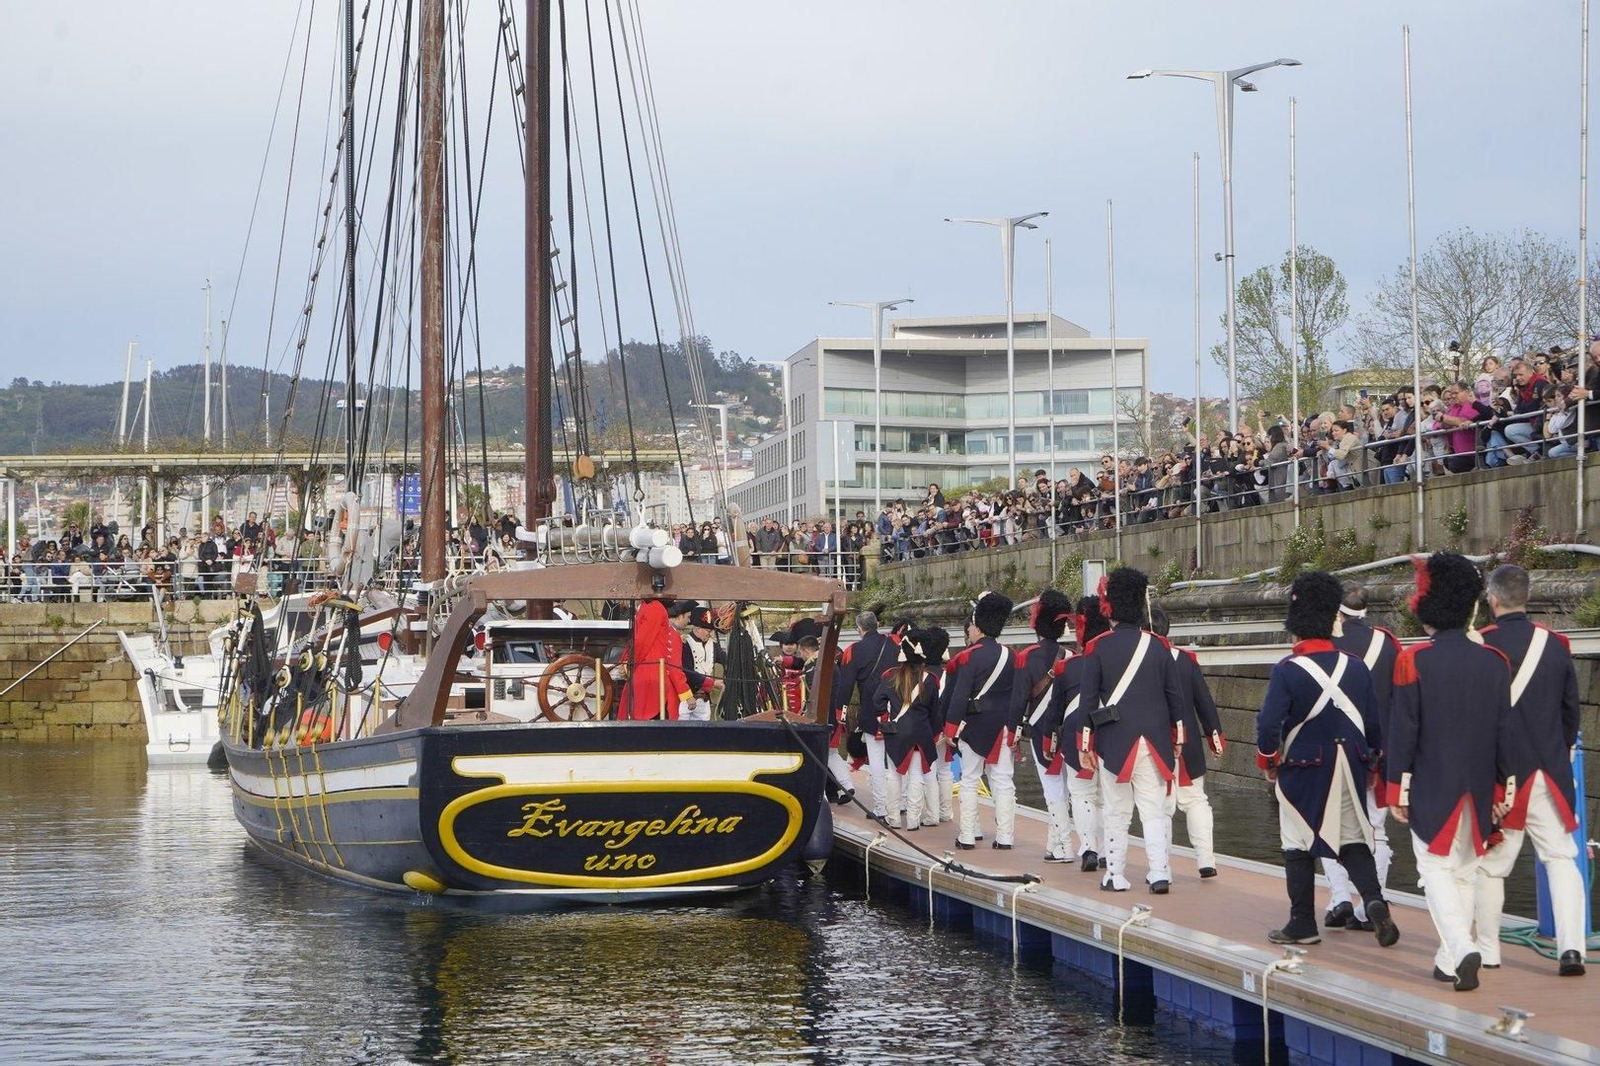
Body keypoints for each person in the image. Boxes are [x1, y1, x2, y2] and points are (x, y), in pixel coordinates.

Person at [1386, 552, 1517, 992]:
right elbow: (1505, 735)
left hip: (1431, 783)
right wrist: (1503, 790)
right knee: (1462, 869)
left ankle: (1462, 948)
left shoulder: (1414, 660)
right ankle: (1447, 959)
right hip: (1479, 783)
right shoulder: (1495, 661)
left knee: (1435, 869)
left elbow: (1403, 734)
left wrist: (1396, 790)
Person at [1255, 570, 1399, 948]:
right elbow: (1373, 724)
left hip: (1302, 766)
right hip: (1349, 763)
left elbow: (1269, 725)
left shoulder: (1288, 669)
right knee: (1352, 839)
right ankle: (1374, 902)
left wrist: (1268, 760)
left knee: (1298, 845)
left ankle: (1302, 923)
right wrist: (1371, 763)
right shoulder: (1355, 666)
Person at [1474, 565, 1586, 977]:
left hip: (1502, 775)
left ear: (1493, 598)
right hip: (1549, 768)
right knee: (1561, 859)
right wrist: (1555, 749)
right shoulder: (1556, 645)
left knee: (1492, 865)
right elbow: (1570, 712)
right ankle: (1570, 950)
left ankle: (1488, 951)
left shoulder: (1482, 645)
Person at [1076, 568, 1186, 893]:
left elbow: (1087, 702)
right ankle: (1160, 872)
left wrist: (1084, 744)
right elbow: (1174, 697)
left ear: (1109, 606)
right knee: (1152, 811)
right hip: (1154, 739)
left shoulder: (1096, 647)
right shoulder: (1159, 646)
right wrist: (1177, 738)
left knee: (1116, 811)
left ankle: (1116, 874)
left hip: (1115, 739)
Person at [1318, 582, 1404, 932]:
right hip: (1379, 749)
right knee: (1376, 831)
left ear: (1338, 610)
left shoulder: (1325, 643)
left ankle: (1339, 897)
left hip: (1334, 749)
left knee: (1329, 828)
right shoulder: (1388, 643)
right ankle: (1372, 905)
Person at [1149, 605, 1224, 879]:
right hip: (1189, 738)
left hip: (1157, 741)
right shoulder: (1186, 659)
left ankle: (1162, 867)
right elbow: (1204, 702)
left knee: (1160, 806)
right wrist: (1214, 737)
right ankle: (1206, 860)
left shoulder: (1146, 659)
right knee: (1196, 801)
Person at [942, 590, 1018, 850]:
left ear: (979, 627)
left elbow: (958, 696)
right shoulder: (1013, 655)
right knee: (1003, 781)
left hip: (974, 725)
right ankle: (1005, 837)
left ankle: (967, 836)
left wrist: (950, 729)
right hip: (1004, 726)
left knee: (970, 780)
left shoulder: (966, 657)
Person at [1009, 589, 1076, 863]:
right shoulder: (1072, 655)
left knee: (1053, 791)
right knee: (1070, 790)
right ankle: (1055, 843)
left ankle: (1063, 847)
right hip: (1068, 729)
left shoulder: (1027, 656)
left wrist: (1012, 733)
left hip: (1040, 731)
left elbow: (1017, 702)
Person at [1053, 595, 1110, 871]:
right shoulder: (1117, 662)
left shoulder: (1068, 666)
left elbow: (1055, 710)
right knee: (1107, 796)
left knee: (1082, 794)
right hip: (1111, 734)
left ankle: (1088, 848)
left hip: (1077, 734)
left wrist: (1050, 740)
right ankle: (1108, 851)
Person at [872, 628, 942, 830]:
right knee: (917, 777)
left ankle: (893, 818)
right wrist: (934, 732)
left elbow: (877, 701)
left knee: (894, 776)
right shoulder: (930, 679)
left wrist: (885, 719)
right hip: (921, 732)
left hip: (896, 733)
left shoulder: (890, 676)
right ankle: (913, 821)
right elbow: (934, 712)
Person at [833, 610, 900, 821]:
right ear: (877, 624)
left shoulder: (854, 650)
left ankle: (881, 808)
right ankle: (902, 805)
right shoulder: (895, 645)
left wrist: (840, 712)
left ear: (859, 629)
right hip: (899, 709)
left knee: (877, 761)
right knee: (898, 761)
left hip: (871, 710)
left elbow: (845, 686)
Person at [618, 598, 693, 721]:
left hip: (645, 676)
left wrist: (626, 661)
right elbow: (642, 642)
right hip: (652, 682)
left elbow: (638, 641)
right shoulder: (655, 608)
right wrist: (628, 661)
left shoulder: (646, 607)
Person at [679, 606, 726, 721]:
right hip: (687, 699)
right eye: (708, 631)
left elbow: (727, 660)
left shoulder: (713, 645)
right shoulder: (685, 643)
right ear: (698, 628)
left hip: (704, 700)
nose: (709, 634)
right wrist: (713, 683)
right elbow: (688, 672)